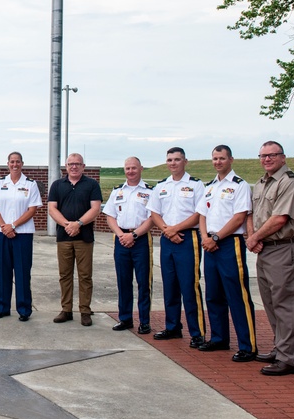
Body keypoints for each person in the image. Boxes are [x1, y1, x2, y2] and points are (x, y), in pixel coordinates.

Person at [246, 140, 294, 376]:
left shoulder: (289, 182)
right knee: (271, 303)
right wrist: (253, 236)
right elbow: (254, 214)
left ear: (283, 157)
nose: (267, 159)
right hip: (266, 248)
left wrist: (253, 239)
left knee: (284, 304)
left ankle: (288, 359)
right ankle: (279, 348)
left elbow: (280, 218)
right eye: (262, 156)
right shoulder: (262, 183)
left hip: (285, 248)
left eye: (272, 155)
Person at [197, 145, 258, 362]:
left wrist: (216, 238)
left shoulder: (239, 185)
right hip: (210, 244)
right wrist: (205, 237)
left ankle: (247, 345)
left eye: (222, 158)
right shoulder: (210, 186)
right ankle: (219, 338)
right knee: (213, 295)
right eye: (214, 158)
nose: (218, 162)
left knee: (237, 295)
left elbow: (239, 217)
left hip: (228, 245)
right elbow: (201, 214)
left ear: (231, 159)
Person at [147, 146, 206, 347]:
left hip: (188, 238)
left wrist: (175, 229)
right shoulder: (161, 186)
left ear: (185, 161)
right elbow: (154, 212)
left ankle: (197, 332)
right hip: (167, 239)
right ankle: (172, 327)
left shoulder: (196, 185)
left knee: (190, 286)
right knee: (170, 286)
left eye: (177, 159)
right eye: (170, 160)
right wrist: (166, 230)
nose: (173, 163)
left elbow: (199, 213)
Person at [47, 153, 102, 326]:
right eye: (71, 164)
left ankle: (85, 310)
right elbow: (52, 208)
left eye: (77, 164)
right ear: (66, 166)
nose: (74, 167)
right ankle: (66, 310)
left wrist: (78, 224)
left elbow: (96, 209)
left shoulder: (92, 185)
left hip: (84, 238)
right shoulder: (57, 185)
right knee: (65, 275)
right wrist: (67, 225)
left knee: (85, 275)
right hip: (64, 237)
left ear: (83, 166)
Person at [102, 157, 154, 334]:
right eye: (127, 168)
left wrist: (134, 235)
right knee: (123, 281)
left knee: (143, 282)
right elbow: (110, 216)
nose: (130, 171)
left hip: (140, 239)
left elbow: (152, 218)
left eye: (134, 168)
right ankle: (125, 318)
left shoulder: (149, 191)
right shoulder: (117, 191)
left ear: (141, 168)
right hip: (121, 238)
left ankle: (144, 321)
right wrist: (121, 235)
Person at [0, 151, 42, 321]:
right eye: (12, 162)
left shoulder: (30, 184)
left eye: (18, 162)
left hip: (22, 234)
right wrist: (4, 226)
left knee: (22, 272)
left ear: (22, 164)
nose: (15, 164)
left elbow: (32, 209)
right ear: (8, 164)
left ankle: (24, 309)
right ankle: (2, 307)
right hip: (1, 232)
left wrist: (14, 225)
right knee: (3, 271)